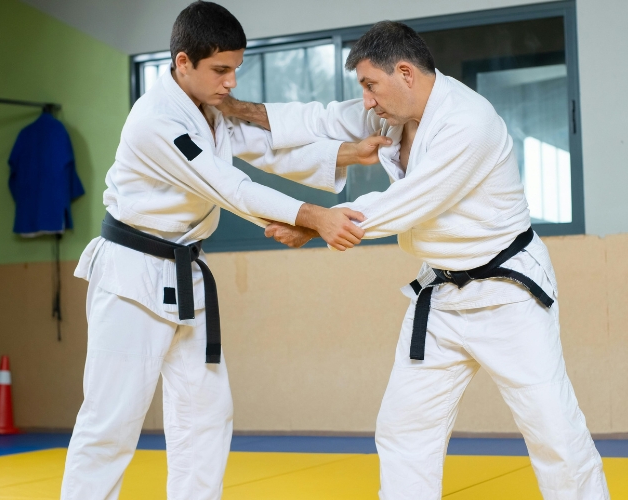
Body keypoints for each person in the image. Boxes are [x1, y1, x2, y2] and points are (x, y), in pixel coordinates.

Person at [218, 20, 610, 500]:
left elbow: (409, 202)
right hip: (440, 295)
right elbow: (316, 118)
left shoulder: (469, 121)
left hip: (507, 295)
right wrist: (234, 110)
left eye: (369, 85)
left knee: (554, 431)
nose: (365, 99)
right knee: (403, 429)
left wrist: (313, 223)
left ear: (404, 72)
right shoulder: (392, 113)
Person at [60, 3, 386, 499]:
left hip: (187, 272)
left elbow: (266, 149)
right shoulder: (155, 120)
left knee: (205, 417)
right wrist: (315, 216)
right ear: (183, 62)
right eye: (220, 70)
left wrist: (345, 153)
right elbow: (227, 186)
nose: (231, 82)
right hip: (132, 274)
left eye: (236, 68)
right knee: (111, 423)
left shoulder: (209, 108)